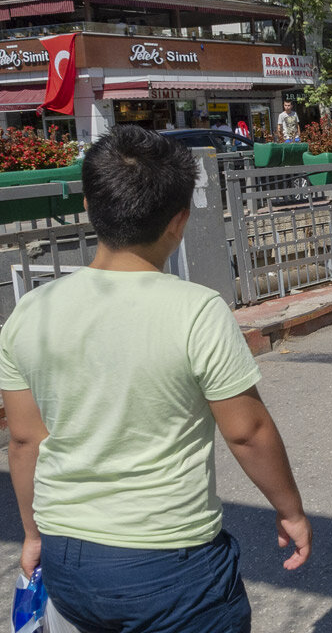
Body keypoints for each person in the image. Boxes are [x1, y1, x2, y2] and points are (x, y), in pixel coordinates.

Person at [0, 125, 311, 632]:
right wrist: (290, 510)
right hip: (170, 562)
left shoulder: (29, 311)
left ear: (90, 204)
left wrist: (33, 535)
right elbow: (246, 431)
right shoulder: (196, 311)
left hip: (68, 559)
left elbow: (24, 439)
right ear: (179, 221)